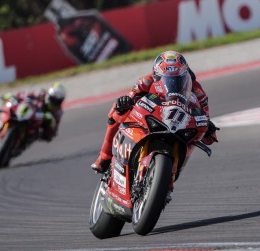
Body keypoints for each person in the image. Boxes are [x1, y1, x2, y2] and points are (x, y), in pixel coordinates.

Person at [91, 50, 219, 174]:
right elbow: (130, 98)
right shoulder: (146, 81)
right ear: (157, 75)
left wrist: (209, 129)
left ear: (186, 75)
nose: (172, 82)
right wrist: (125, 102)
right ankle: (104, 156)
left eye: (178, 78)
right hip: (152, 118)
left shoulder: (197, 91)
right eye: (166, 78)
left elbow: (207, 126)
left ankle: (169, 178)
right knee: (117, 109)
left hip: (179, 125)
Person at [1, 82, 66, 142]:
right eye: (52, 99)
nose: (53, 102)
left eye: (56, 101)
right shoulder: (41, 93)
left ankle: (22, 141)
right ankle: (3, 122)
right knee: (12, 103)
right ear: (49, 94)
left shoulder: (58, 112)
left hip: (35, 126)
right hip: (27, 113)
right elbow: (24, 94)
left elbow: (54, 130)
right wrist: (16, 97)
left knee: (36, 135)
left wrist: (50, 126)